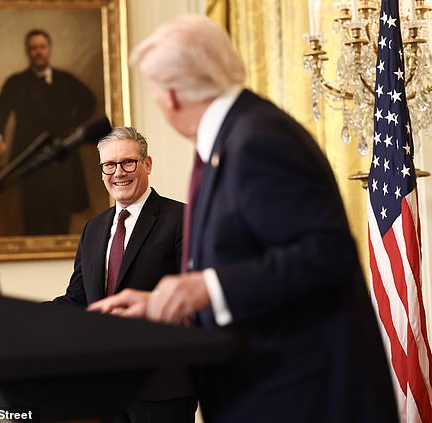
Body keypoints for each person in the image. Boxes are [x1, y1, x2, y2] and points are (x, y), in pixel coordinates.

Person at [88, 15, 399, 423]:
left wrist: (207, 287)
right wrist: (164, 304)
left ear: (172, 95)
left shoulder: (259, 139)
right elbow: (248, 267)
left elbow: (324, 256)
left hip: (302, 397)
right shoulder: (233, 137)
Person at [53, 127, 196, 423]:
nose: (119, 172)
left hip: (163, 386)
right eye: (109, 165)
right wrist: (28, 316)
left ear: (147, 164)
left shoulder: (181, 219)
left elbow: (190, 300)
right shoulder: (93, 228)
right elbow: (78, 300)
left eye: (128, 162)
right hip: (106, 387)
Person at [0, 28, 95, 235]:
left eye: (42, 47)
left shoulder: (65, 80)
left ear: (49, 49)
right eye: (34, 48)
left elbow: (89, 100)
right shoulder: (15, 83)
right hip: (30, 162)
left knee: (61, 216)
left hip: (62, 159)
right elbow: (0, 112)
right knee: (34, 217)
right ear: (28, 52)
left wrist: (75, 126)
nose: (38, 52)